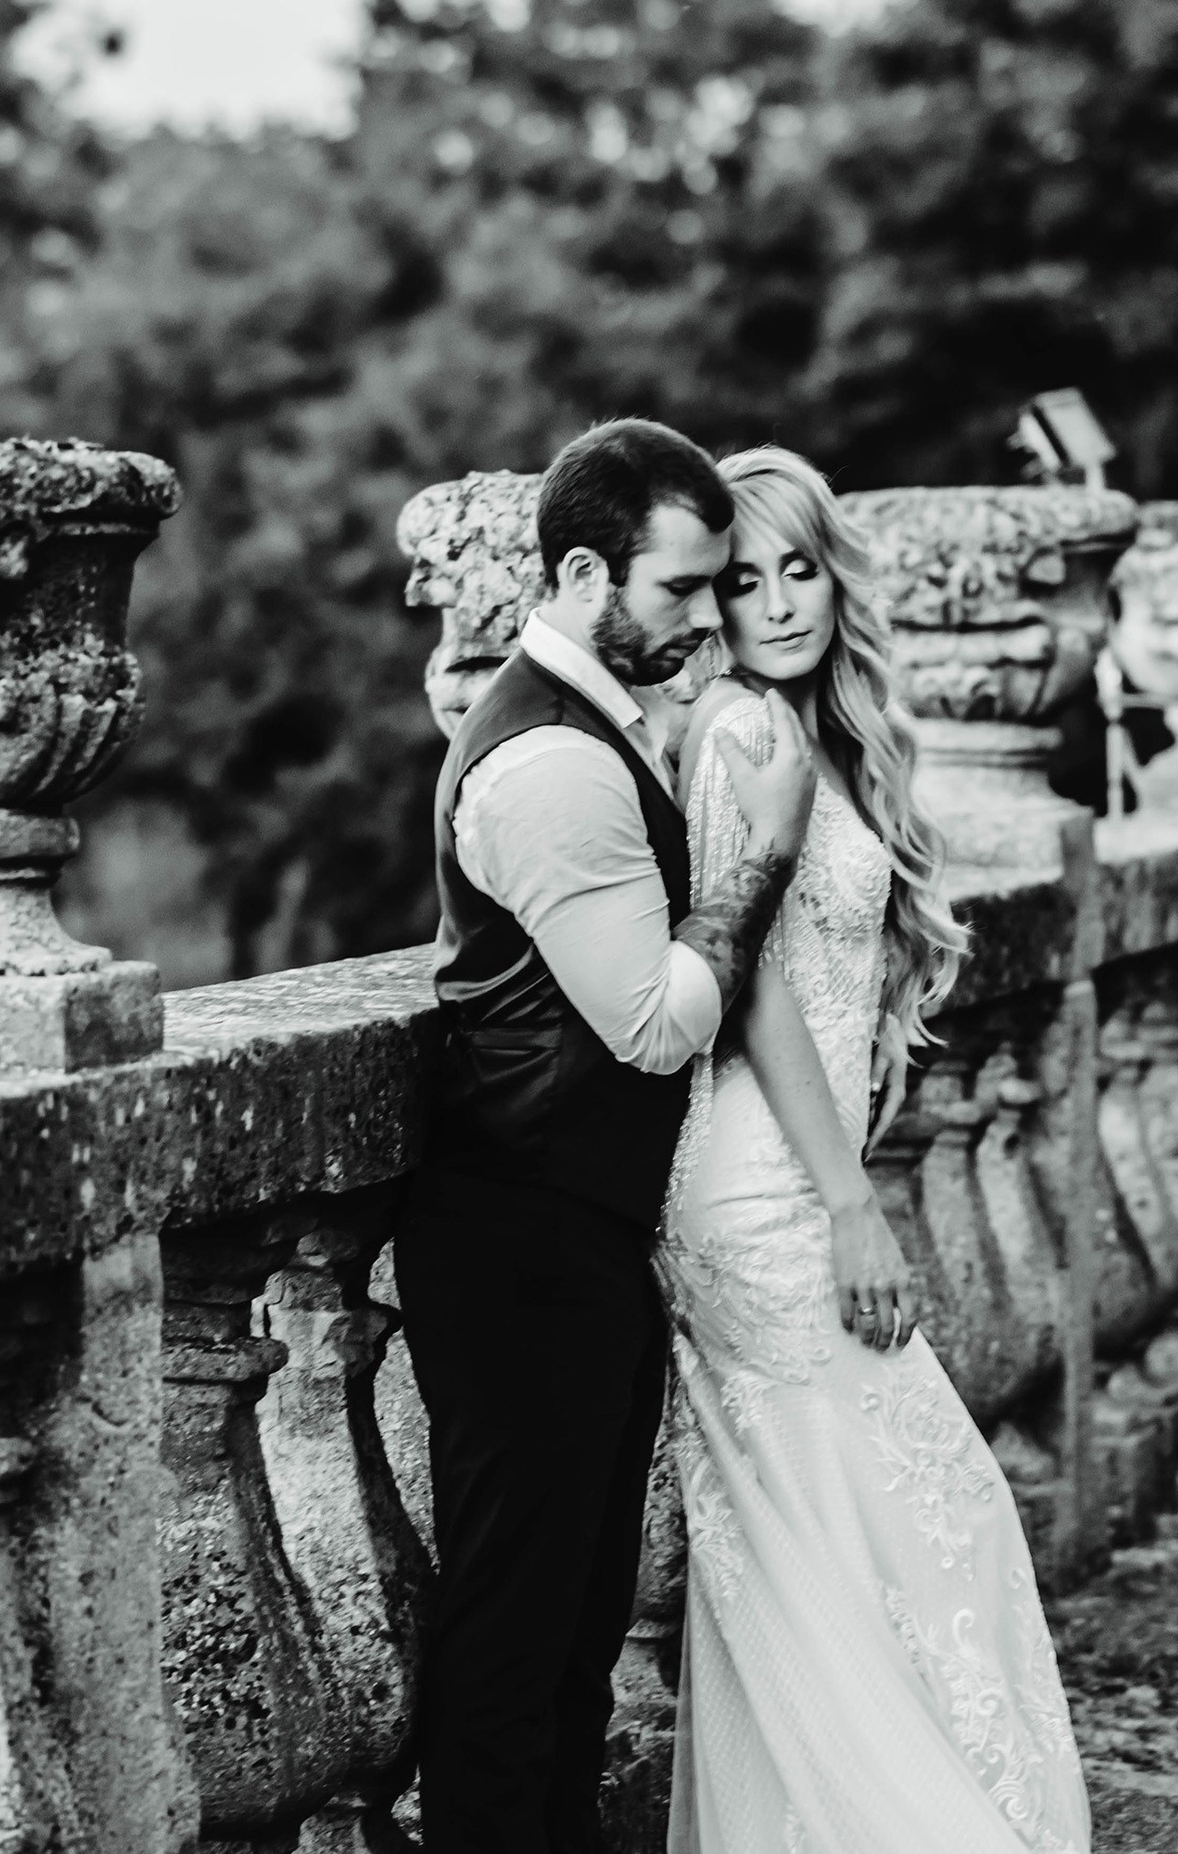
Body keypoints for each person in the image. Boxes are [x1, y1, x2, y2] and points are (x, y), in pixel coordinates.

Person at [394, 418, 820, 1854]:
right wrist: (766, 852)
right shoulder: (550, 766)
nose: (708, 616)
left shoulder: (603, 725)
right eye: (680, 587)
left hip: (575, 1231)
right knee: (518, 1630)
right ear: (585, 574)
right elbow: (654, 1020)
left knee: (577, 1625)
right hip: (520, 1242)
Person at [658, 446, 1092, 1851]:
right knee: (926, 1508)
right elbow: (753, 989)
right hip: (758, 1192)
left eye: (799, 568)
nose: (780, 602)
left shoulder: (817, 739)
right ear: (709, 599)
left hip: (798, 1171)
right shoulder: (736, 735)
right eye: (743, 580)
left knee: (844, 1546)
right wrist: (851, 1204)